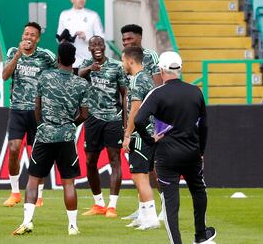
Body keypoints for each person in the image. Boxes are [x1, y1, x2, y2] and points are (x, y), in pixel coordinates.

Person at [134, 51, 216, 244]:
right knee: (198, 191)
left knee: (170, 202)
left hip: (166, 155)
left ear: (161, 70)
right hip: (192, 153)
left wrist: (149, 140)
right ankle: (200, 235)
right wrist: (201, 151)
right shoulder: (196, 91)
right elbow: (203, 126)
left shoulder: (157, 93)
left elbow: (138, 119)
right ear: (180, 69)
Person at [12, 42, 89, 236]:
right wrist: (72, 124)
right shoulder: (81, 83)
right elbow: (85, 114)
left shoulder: (45, 77)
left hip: (45, 135)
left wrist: (41, 125)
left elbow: (36, 107)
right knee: (68, 182)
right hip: (66, 138)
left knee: (33, 180)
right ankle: (72, 226)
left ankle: (27, 221)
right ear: (73, 60)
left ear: (58, 58)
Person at [2, 22, 56, 207]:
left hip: (38, 111)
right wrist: (18, 54)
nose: (28, 37)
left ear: (38, 38)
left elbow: (59, 74)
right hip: (17, 109)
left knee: (37, 154)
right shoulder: (12, 52)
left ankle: (39, 195)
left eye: (32, 35)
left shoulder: (46, 56)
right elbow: (4, 75)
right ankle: (15, 192)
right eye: (26, 34)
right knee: (14, 148)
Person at [78, 35, 128, 218]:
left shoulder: (116, 66)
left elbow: (125, 95)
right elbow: (76, 76)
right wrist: (90, 69)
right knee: (90, 161)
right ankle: (98, 204)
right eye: (93, 45)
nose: (97, 47)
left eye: (100, 44)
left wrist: (125, 123)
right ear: (89, 48)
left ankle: (112, 206)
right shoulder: (86, 64)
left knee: (115, 159)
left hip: (113, 119)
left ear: (104, 47)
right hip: (93, 119)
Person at [121, 46, 160, 230]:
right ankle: (144, 216)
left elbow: (135, 110)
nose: (122, 65)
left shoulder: (137, 81)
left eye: (122, 60)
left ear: (130, 61)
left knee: (140, 177)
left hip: (140, 134)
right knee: (140, 176)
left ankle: (151, 218)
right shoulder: (147, 78)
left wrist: (127, 134)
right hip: (150, 133)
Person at [57, 0, 104, 74]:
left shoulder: (93, 15)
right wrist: (65, 38)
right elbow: (58, 37)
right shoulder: (64, 15)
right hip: (70, 63)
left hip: (87, 63)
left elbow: (101, 38)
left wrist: (86, 37)